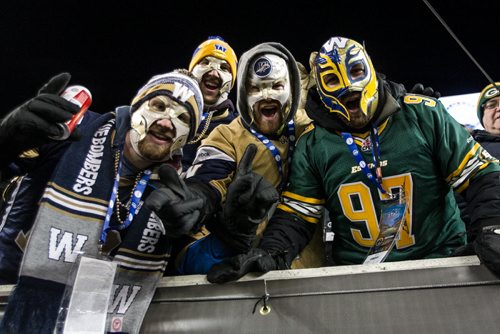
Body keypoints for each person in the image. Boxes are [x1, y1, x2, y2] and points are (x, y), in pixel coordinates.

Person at [206, 36, 500, 284]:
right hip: (360, 277)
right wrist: (271, 252)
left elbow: (481, 175)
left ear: (372, 70)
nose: (348, 86)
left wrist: (491, 227)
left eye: (356, 70)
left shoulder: (424, 114)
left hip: (441, 263)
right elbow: (298, 214)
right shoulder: (313, 145)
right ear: (320, 89)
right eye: (333, 79)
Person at [0, 69, 203, 333]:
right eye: (159, 106)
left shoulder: (172, 190)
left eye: (182, 117)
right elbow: (11, 167)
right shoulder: (77, 130)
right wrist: (5, 142)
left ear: (186, 138)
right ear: (137, 107)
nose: (167, 122)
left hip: (91, 317)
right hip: (11, 292)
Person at [146, 42, 318, 275]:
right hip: (234, 260)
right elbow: (210, 177)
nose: (266, 95)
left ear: (293, 90)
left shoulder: (310, 128)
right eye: (255, 89)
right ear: (243, 94)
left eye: (276, 86)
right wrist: (199, 196)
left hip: (302, 261)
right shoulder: (226, 134)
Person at [181, 35, 239, 171]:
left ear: (232, 82)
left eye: (224, 68)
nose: (213, 73)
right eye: (205, 62)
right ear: (191, 71)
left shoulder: (238, 129)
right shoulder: (165, 114)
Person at [455, 82, 500, 240]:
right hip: (485, 241)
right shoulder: (466, 148)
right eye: (492, 104)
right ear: (483, 117)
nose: (499, 108)